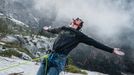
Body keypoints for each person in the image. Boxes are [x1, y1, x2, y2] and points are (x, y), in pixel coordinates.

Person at [37, 18, 125, 75]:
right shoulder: (63, 28)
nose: (73, 20)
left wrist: (111, 50)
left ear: (77, 25)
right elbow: (54, 30)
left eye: (76, 20)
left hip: (59, 60)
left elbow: (94, 43)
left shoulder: (79, 35)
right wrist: (48, 29)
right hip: (49, 56)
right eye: (75, 20)